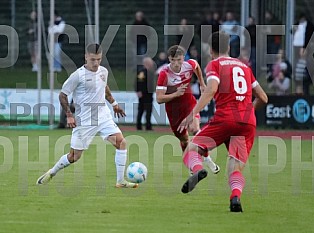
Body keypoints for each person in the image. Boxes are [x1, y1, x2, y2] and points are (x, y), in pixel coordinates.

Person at [178, 31, 268, 212]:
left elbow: (211, 89)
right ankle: (235, 197)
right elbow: (263, 98)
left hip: (225, 118)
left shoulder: (215, 64)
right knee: (234, 168)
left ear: (211, 50)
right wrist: (247, 110)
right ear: (228, 47)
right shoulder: (244, 67)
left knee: (191, 149)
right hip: (247, 121)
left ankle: (197, 170)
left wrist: (193, 113)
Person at [36, 43, 138, 188]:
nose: (96, 63)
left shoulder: (103, 71)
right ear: (86, 57)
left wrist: (114, 104)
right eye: (92, 60)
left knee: (121, 143)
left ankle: (120, 181)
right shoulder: (78, 75)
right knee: (74, 157)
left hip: (103, 116)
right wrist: (69, 115)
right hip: (84, 121)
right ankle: (52, 172)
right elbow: (62, 95)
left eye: (99, 59)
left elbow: (105, 88)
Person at [156, 45, 220, 174]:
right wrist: (176, 94)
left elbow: (196, 66)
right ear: (169, 59)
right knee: (185, 140)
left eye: (179, 60)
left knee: (196, 130)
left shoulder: (189, 64)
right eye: (173, 60)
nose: (176, 63)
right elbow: (159, 98)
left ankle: (207, 159)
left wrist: (202, 83)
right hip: (174, 113)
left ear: (183, 58)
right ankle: (192, 164)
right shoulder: (164, 74)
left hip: (190, 105)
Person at [136, 57, 156, 130]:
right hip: (144, 94)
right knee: (141, 110)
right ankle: (139, 126)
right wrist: (138, 91)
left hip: (149, 93)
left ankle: (148, 125)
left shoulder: (150, 71)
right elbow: (138, 82)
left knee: (148, 110)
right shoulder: (142, 72)